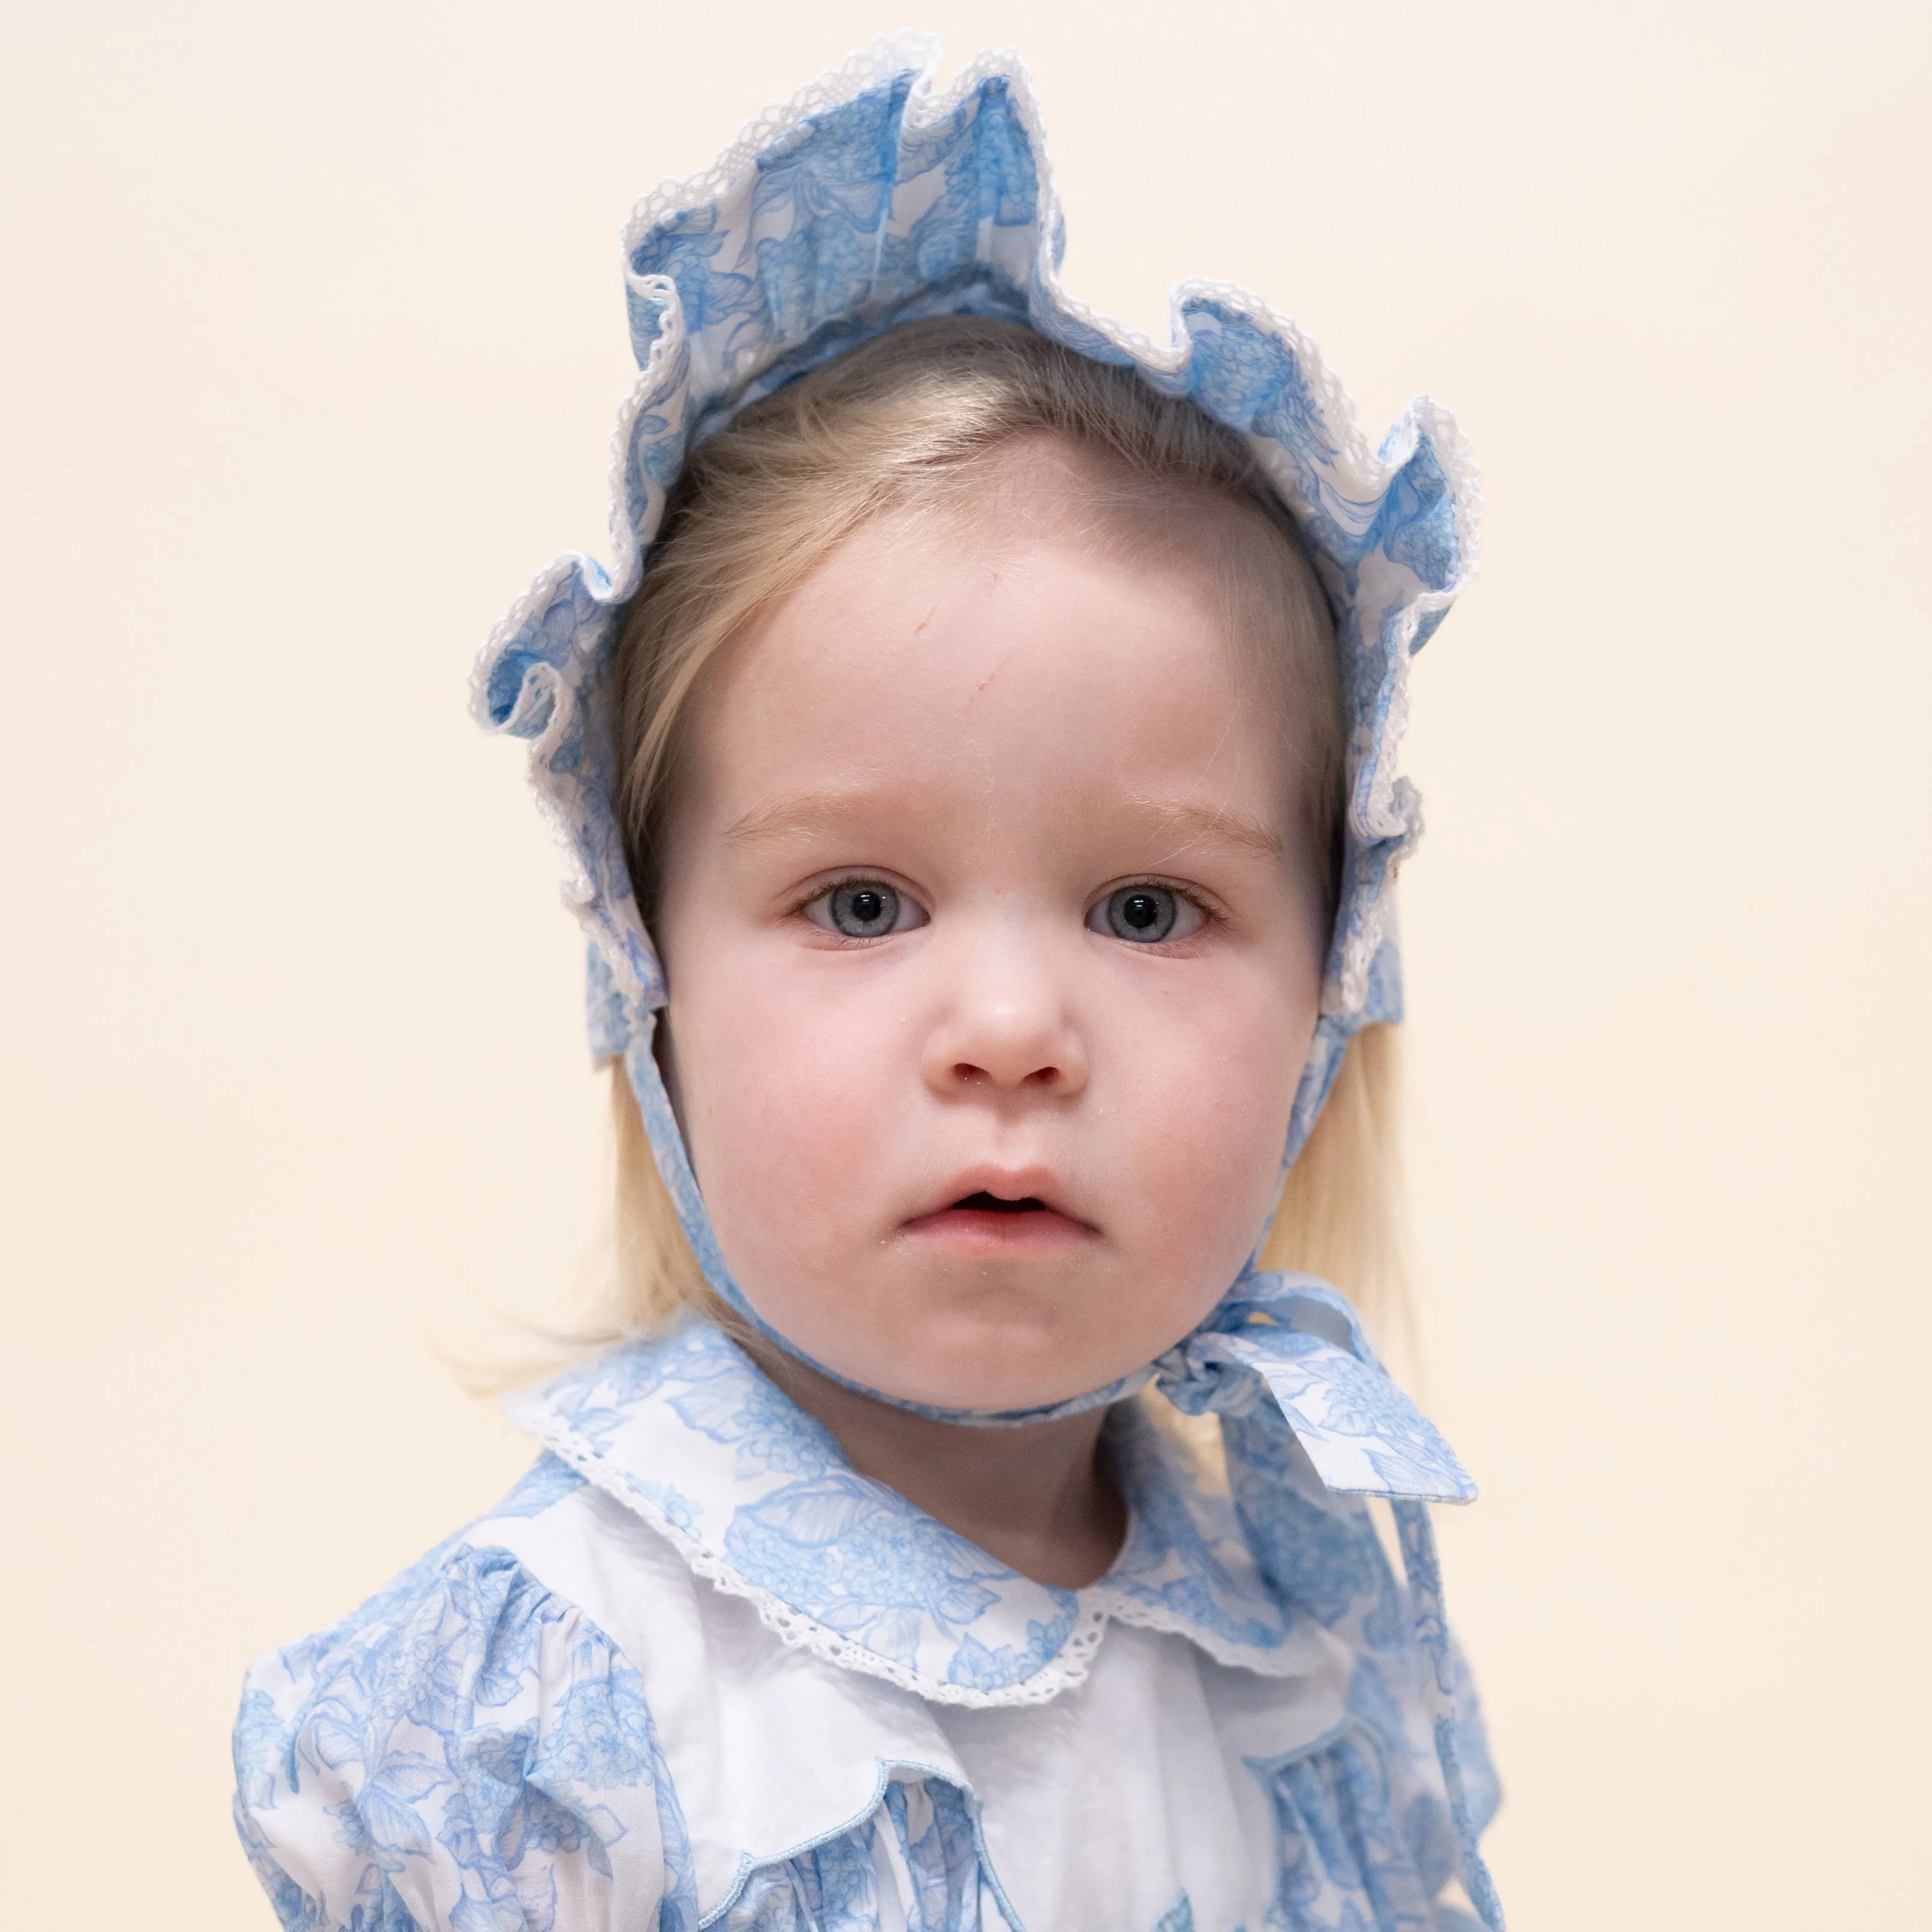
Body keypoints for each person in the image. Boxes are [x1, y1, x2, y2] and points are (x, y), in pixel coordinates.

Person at [231, 39, 1504, 1932]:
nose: (1007, 1030)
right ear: (647, 984)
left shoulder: (1288, 1651)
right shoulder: (567, 1704)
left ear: (1327, 1001)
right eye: (858, 901)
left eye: (1149, 910)